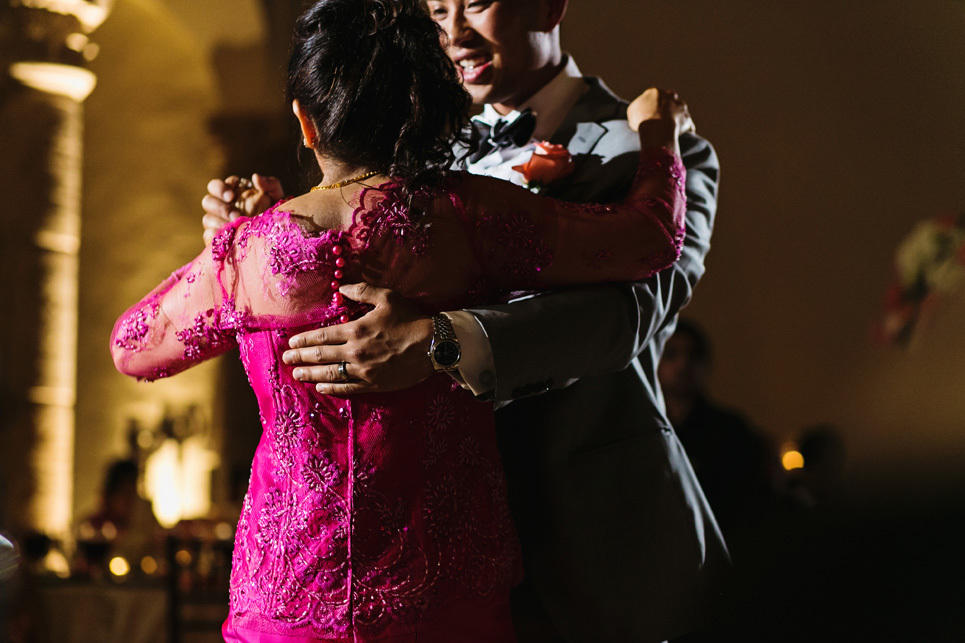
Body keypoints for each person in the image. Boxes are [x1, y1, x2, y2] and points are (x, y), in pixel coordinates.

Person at [113, 0, 694, 640]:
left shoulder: (247, 253)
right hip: (441, 586)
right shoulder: (467, 216)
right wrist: (661, 138)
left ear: (306, 123)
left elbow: (132, 347)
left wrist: (226, 248)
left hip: (288, 590)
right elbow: (650, 238)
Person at [658, 319, 775, 536]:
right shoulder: (643, 432)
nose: (683, 364)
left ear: (705, 364)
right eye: (671, 354)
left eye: (693, 355)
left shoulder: (731, 432)